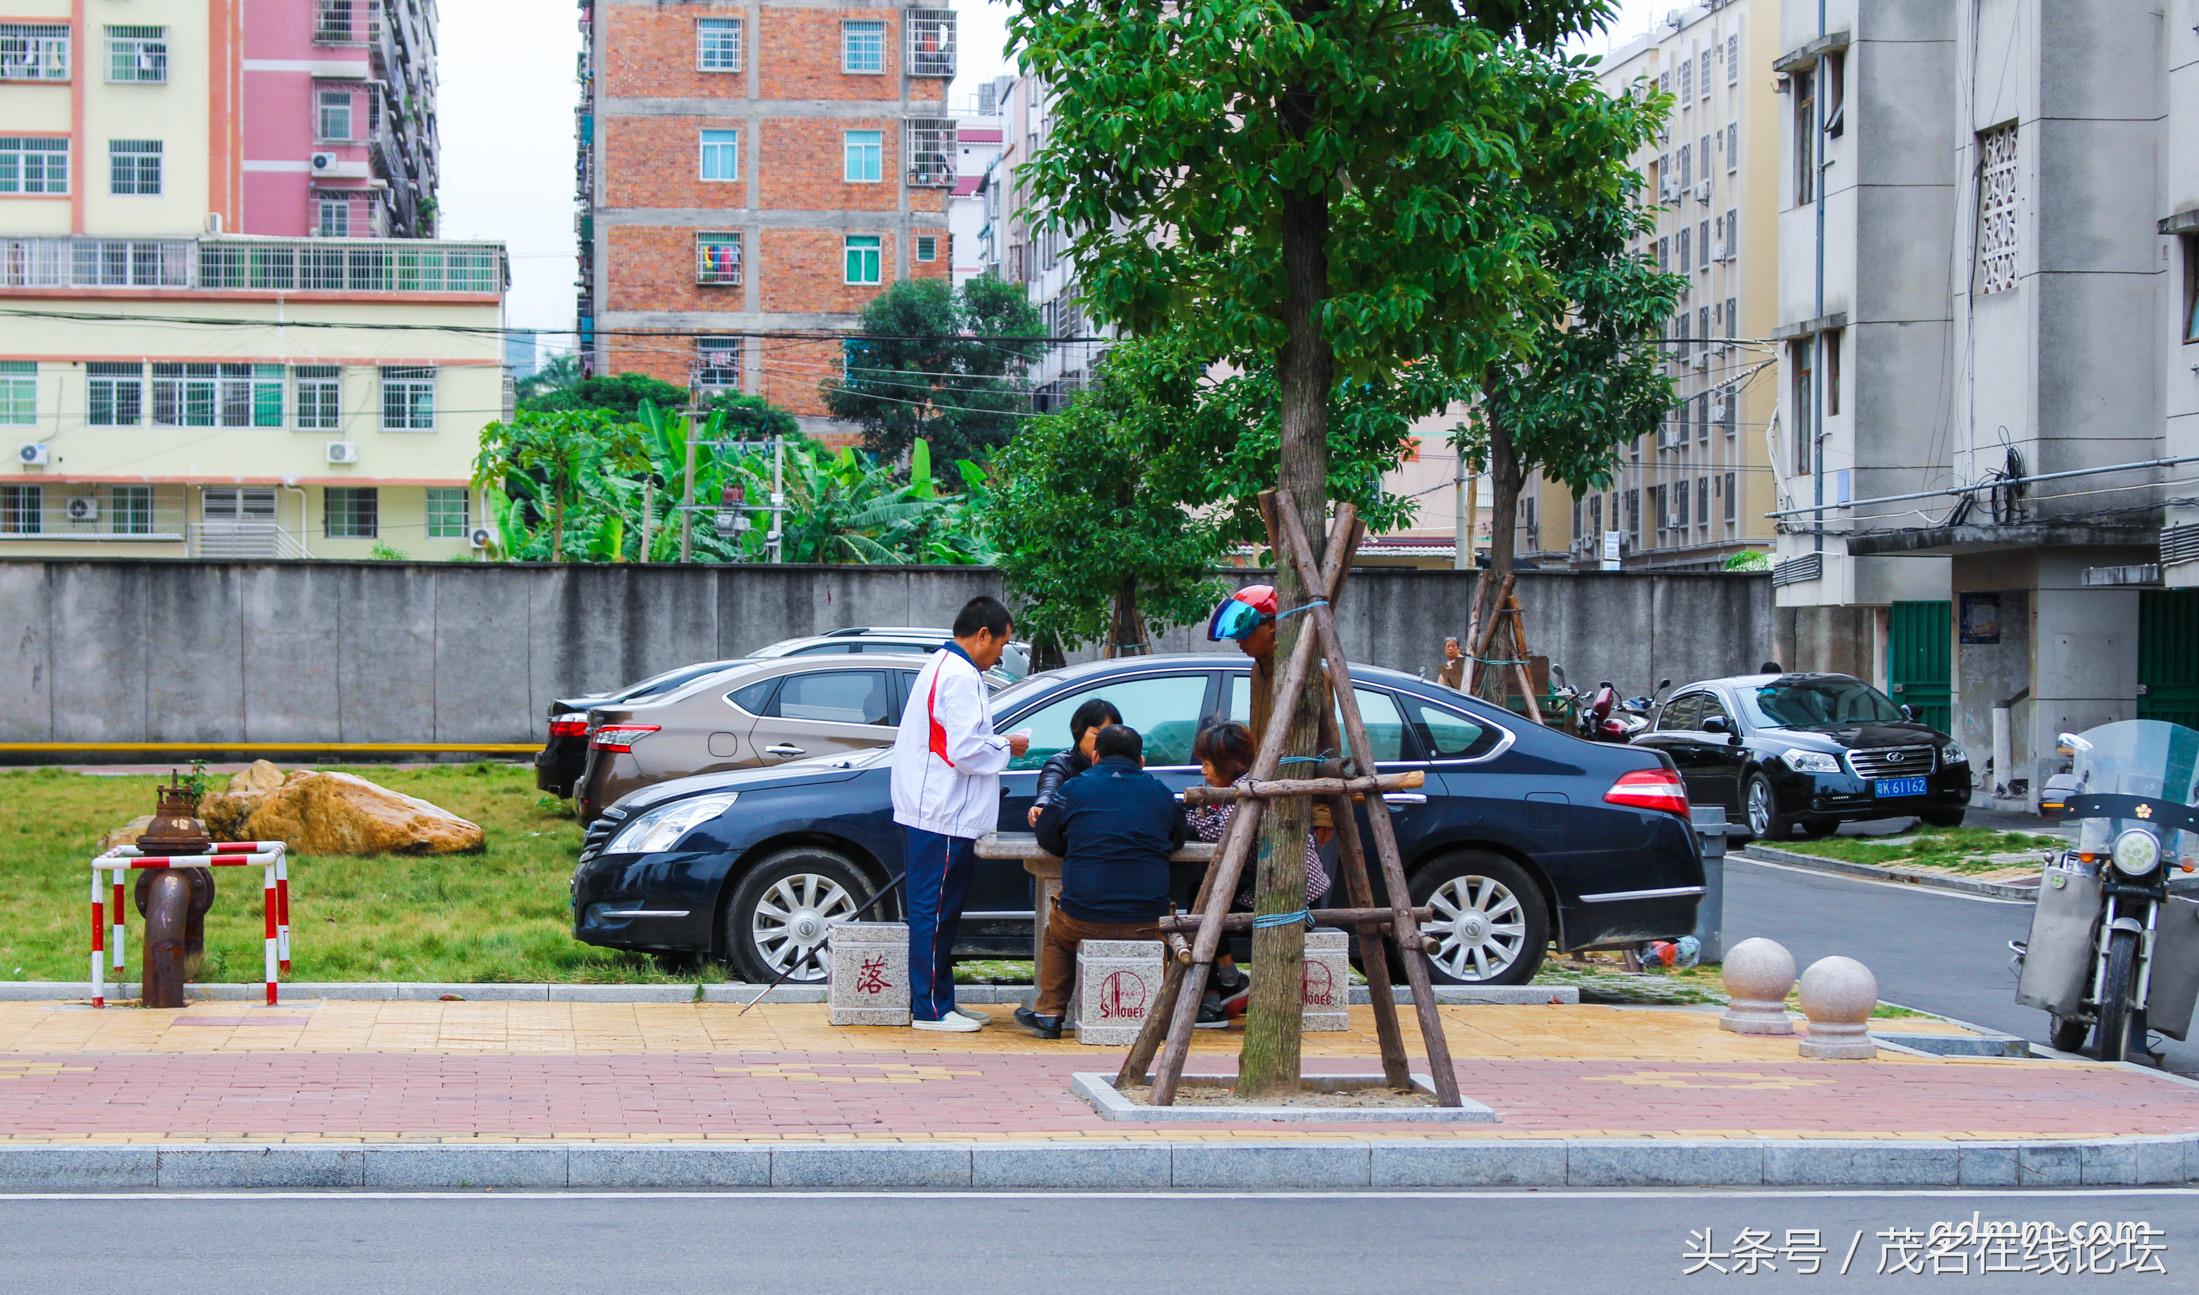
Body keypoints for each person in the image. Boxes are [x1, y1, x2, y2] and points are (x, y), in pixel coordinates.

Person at [890, 595, 1029, 1033]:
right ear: (983, 634)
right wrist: (1010, 745)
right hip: (942, 812)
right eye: (1001, 644)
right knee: (934, 913)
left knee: (939, 912)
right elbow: (966, 749)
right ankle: (930, 1009)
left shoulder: (942, 667)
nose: (1000, 655)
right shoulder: (960, 676)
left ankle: (941, 1000)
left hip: (936, 808)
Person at [1016, 725, 1186, 1039]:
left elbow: (1048, 837)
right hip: (1149, 922)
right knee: (1162, 924)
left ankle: (1049, 1013)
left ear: (1095, 756)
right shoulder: (1161, 793)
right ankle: (1157, 1016)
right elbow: (1177, 840)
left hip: (1083, 918)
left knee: (1056, 933)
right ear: (1142, 760)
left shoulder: (1073, 789)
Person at [1185, 720, 1330, 1026]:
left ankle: (1223, 985)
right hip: (1274, 887)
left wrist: (1192, 811)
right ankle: (1226, 981)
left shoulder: (1250, 789)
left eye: (1207, 764)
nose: (1203, 771)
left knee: (1201, 906)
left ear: (1229, 764)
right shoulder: (1253, 781)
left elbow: (1217, 831)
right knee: (1204, 895)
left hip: (1288, 899)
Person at [1025, 697, 1122, 828]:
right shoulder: (1062, 763)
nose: (1104, 739)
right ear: (1079, 731)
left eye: (1110, 733)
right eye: (1096, 733)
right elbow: (1049, 787)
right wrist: (1042, 806)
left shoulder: (1122, 766)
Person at [1207, 584, 1279, 741]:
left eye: (1247, 628)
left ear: (1271, 626)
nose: (1239, 640)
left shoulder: (1304, 671)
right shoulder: (1257, 671)